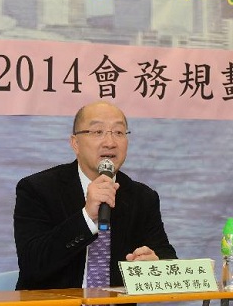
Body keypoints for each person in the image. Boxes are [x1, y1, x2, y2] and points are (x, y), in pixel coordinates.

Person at [13, 101, 177, 289]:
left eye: (119, 132)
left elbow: (168, 261)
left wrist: (155, 266)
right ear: (75, 143)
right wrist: (87, 217)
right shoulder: (37, 189)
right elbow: (32, 265)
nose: (110, 143)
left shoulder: (143, 197)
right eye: (98, 132)